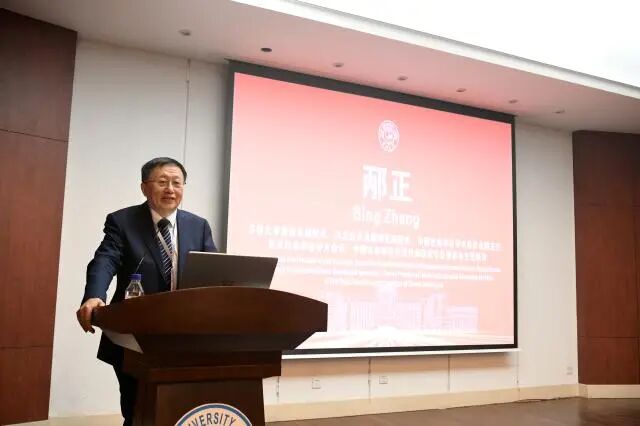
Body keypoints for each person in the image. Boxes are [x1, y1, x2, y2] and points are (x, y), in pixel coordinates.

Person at [76, 157, 217, 425]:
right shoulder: (123, 221)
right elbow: (105, 260)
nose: (170, 189)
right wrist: (95, 295)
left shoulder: (198, 226)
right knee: (137, 411)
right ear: (144, 187)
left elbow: (213, 271)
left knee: (181, 411)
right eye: (162, 182)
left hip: (185, 336)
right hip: (134, 335)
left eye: (177, 183)